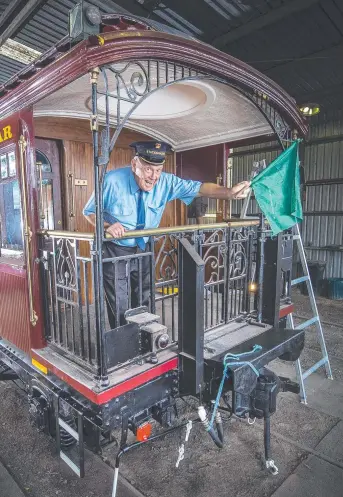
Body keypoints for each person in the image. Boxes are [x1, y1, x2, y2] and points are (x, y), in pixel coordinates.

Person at [83, 141, 250, 329]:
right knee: (119, 301)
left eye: (158, 170)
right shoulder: (111, 180)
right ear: (134, 165)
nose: (154, 177)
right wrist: (107, 225)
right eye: (148, 170)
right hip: (115, 249)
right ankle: (124, 347)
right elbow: (88, 211)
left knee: (144, 296)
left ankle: (145, 340)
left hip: (143, 246)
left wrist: (229, 193)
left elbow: (200, 188)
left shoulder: (166, 182)